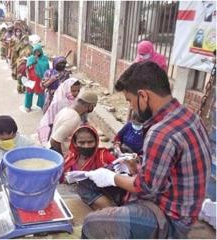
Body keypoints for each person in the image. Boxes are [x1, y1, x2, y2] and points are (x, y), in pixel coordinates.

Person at [82, 61, 211, 238]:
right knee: (87, 182)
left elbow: (145, 188)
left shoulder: (160, 132)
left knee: (91, 224)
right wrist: (139, 165)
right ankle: (123, 223)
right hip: (179, 205)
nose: (131, 108)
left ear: (143, 96)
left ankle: (122, 224)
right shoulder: (189, 116)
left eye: (130, 101)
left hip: (172, 220)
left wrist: (111, 177)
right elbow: (170, 170)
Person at [61, 125, 126, 210]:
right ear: (75, 143)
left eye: (90, 142)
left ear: (96, 141)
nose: (86, 146)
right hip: (77, 200)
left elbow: (119, 173)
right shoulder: (71, 158)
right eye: (81, 142)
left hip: (104, 198)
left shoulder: (104, 156)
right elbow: (62, 178)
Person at [50, 91, 98, 155]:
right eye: (93, 106)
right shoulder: (74, 118)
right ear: (90, 106)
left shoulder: (66, 110)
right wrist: (62, 159)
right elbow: (54, 141)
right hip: (59, 153)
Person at [37, 78, 81, 145]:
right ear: (67, 89)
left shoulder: (73, 100)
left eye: (78, 90)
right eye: (73, 91)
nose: (76, 93)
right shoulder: (60, 102)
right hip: (50, 128)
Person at [24, 44, 49, 112]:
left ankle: (42, 105)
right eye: (35, 51)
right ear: (33, 51)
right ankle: (27, 106)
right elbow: (26, 68)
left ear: (41, 51)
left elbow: (46, 67)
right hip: (32, 78)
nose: (37, 53)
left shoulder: (44, 58)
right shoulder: (31, 58)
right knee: (29, 91)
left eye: (38, 51)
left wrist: (38, 63)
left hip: (40, 78)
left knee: (41, 92)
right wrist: (28, 76)